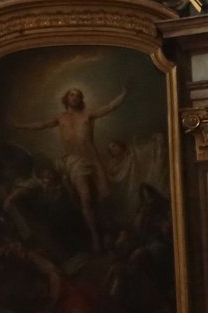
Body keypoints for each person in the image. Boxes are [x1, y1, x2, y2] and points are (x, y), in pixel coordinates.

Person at [13, 84, 129, 251]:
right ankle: (95, 237)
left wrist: (124, 93)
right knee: (86, 198)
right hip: (75, 161)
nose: (74, 98)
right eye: (71, 95)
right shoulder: (61, 118)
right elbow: (40, 125)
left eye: (77, 95)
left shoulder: (88, 114)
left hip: (94, 160)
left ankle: (108, 232)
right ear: (66, 99)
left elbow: (110, 107)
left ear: (81, 99)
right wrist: (21, 126)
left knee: (105, 196)